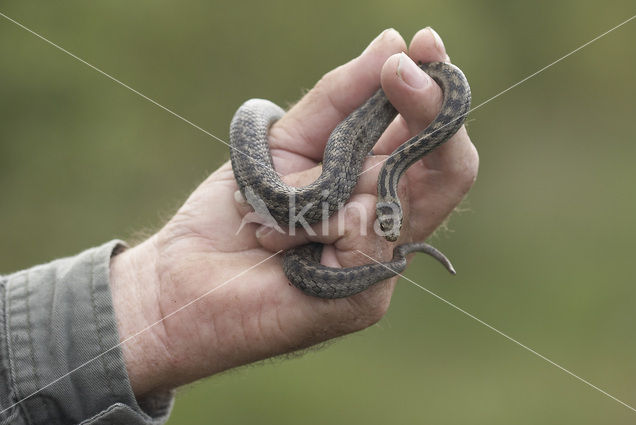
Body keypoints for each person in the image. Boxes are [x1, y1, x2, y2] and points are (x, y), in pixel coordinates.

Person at [0, 27, 478, 424]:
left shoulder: (394, 165)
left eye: (387, 227)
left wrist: (152, 311)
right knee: (310, 181)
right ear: (384, 210)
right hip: (280, 153)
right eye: (387, 226)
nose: (387, 230)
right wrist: (153, 300)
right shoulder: (364, 167)